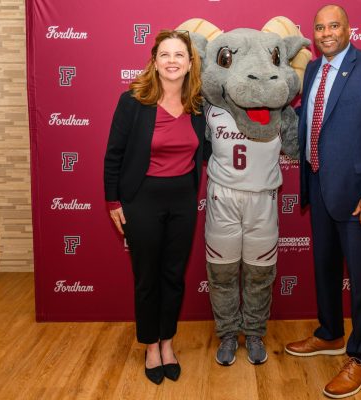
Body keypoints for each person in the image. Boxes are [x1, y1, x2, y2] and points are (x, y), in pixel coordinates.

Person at [285, 4, 361, 399]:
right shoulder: (315, 69)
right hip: (319, 186)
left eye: (334, 25)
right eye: (319, 27)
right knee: (325, 267)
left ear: (349, 29)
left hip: (358, 197)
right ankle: (330, 332)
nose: (326, 33)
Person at [103, 29, 208, 385]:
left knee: (173, 277)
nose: (173, 61)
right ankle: (150, 346)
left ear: (190, 62)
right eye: (166, 54)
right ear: (154, 61)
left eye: (180, 55)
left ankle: (168, 342)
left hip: (182, 199)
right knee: (148, 278)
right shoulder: (132, 101)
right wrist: (113, 200)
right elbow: (113, 154)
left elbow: (205, 151)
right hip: (142, 198)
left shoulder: (198, 104)